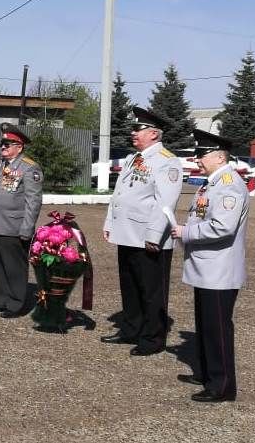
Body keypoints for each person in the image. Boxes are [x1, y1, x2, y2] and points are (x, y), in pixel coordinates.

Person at [171, 130, 247, 403]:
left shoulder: (228, 184)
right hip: (207, 267)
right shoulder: (212, 182)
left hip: (219, 270)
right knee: (206, 325)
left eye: (202, 154)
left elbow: (223, 228)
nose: (198, 159)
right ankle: (207, 373)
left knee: (217, 328)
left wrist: (185, 233)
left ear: (218, 156)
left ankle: (222, 385)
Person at [101, 107, 182, 356]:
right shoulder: (132, 158)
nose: (133, 132)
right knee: (130, 285)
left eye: (138, 129)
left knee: (151, 290)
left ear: (154, 134)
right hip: (127, 232)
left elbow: (165, 202)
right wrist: (110, 223)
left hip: (147, 235)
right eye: (134, 129)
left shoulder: (167, 161)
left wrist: (153, 235)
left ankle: (152, 338)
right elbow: (120, 195)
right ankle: (131, 329)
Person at [0, 123, 43, 318]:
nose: (3, 147)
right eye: (2, 144)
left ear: (19, 146)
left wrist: (27, 228)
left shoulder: (29, 168)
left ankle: (16, 304)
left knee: (14, 266)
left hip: (12, 226)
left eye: (8, 144)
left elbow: (33, 201)